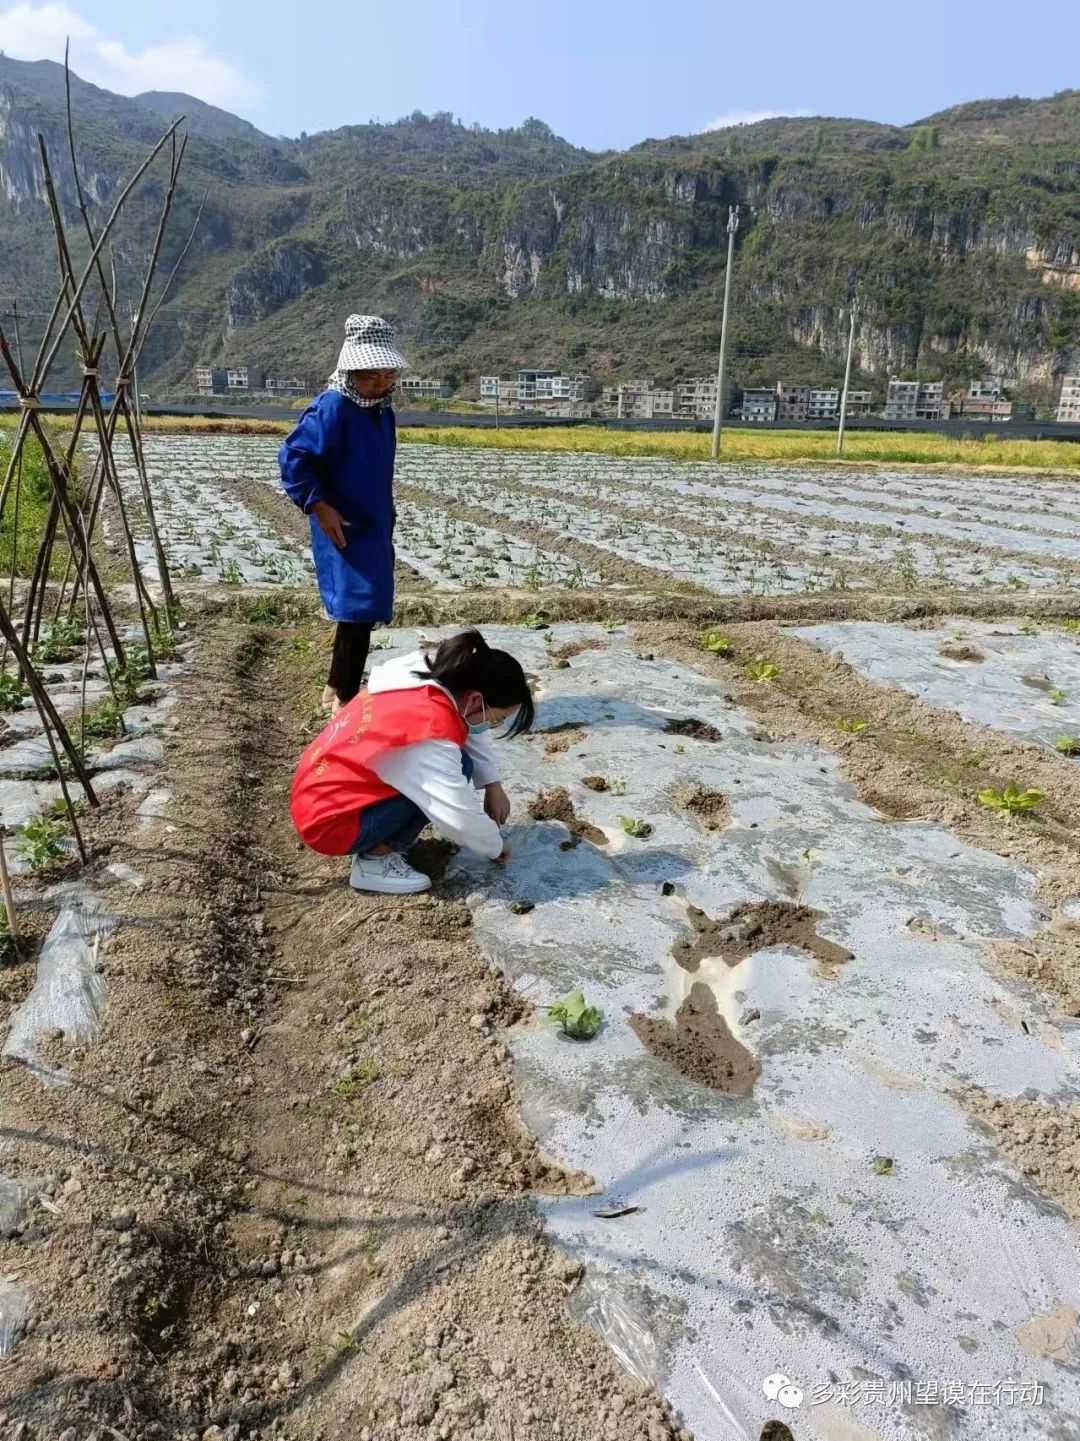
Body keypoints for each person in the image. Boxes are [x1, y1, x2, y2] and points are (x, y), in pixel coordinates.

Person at [290, 630, 535, 895]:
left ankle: (381, 835)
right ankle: (374, 863)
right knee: (444, 780)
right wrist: (494, 845)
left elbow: (463, 726)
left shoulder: (417, 674)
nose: (490, 726)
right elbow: (458, 817)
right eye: (495, 719)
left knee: (461, 762)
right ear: (475, 700)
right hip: (330, 824)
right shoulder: (428, 736)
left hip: (318, 789)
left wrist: (492, 784)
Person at [279, 314, 410, 714]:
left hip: (372, 523)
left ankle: (335, 688)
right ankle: (346, 703)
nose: (381, 382)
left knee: (361, 612)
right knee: (358, 608)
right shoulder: (333, 406)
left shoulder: (381, 412)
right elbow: (295, 457)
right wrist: (319, 507)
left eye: (388, 374)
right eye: (371, 375)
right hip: (342, 524)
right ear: (350, 370)